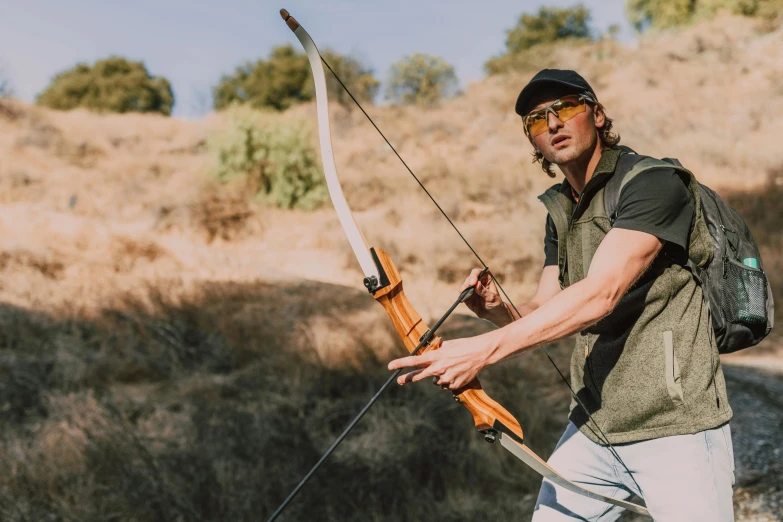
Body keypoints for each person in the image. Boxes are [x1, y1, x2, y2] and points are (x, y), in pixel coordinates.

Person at [388, 69, 735, 521]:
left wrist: (481, 351)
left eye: (565, 108)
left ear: (597, 113)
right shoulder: (561, 210)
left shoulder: (653, 183)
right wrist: (498, 310)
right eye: (535, 119)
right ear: (532, 141)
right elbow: (545, 311)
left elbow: (600, 294)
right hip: (592, 429)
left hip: (676, 429)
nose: (552, 123)